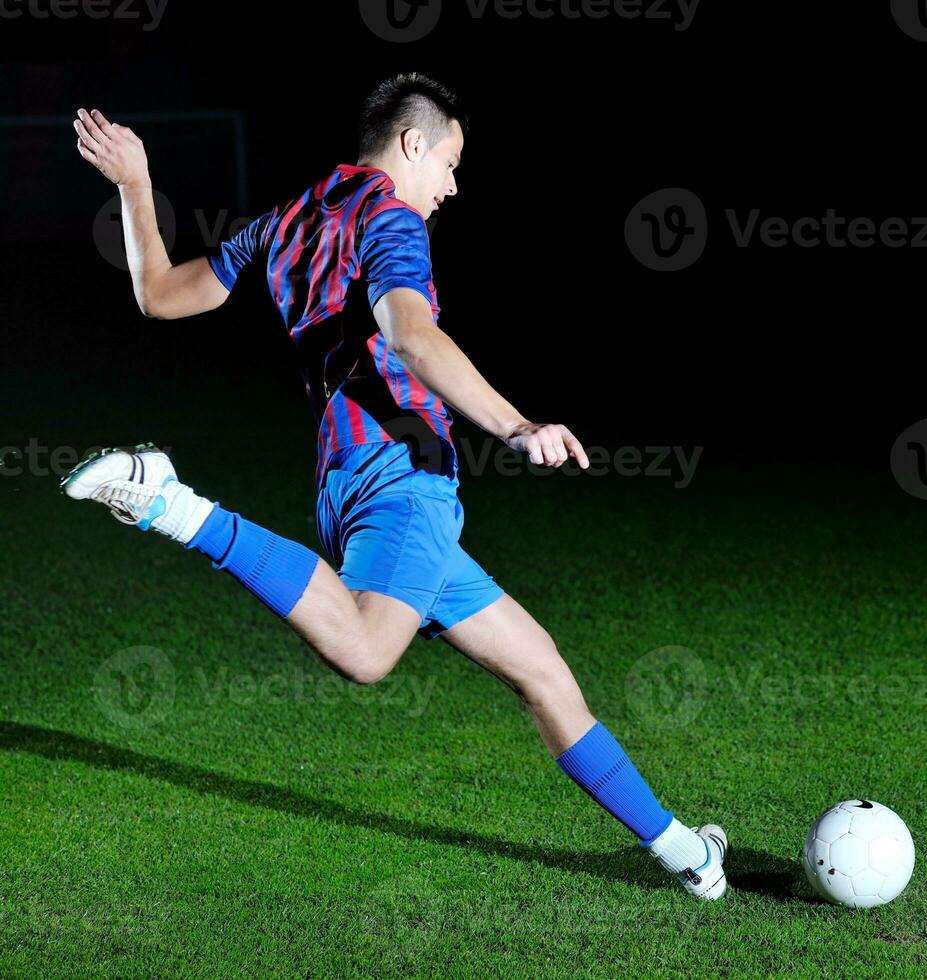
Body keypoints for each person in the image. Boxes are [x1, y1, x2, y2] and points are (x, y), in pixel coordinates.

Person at [64, 73, 727, 900]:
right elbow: (411, 336)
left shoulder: (292, 217)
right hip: (403, 482)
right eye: (449, 161)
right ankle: (174, 505)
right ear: (411, 143)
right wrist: (518, 425)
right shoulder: (391, 218)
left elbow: (159, 295)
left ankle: (687, 855)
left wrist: (134, 182)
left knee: (544, 671)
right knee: (371, 650)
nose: (452, 183)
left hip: (351, 486)